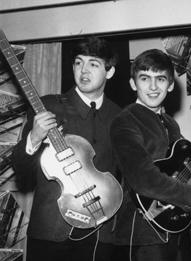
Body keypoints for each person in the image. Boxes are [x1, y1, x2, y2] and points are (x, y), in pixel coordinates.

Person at [109, 49, 191, 261]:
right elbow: (144, 179)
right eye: (145, 79)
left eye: (161, 79)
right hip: (143, 235)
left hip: (177, 229)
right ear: (132, 83)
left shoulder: (170, 123)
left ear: (171, 85)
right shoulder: (125, 121)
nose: (154, 87)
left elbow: (178, 172)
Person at [12, 37, 122, 261]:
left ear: (109, 72)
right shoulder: (47, 105)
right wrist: (33, 138)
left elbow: (128, 174)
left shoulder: (119, 116)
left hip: (100, 234)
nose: (83, 70)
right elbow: (21, 169)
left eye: (93, 64)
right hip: (50, 232)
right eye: (78, 62)